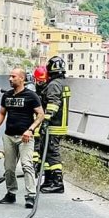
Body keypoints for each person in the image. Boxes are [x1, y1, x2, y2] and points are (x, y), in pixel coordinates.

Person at [0, 68, 45, 208]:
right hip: (8, 136)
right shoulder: (7, 96)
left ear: (21, 79)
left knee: (27, 165)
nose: (10, 79)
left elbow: (41, 115)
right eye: (9, 76)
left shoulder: (31, 96)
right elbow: (2, 113)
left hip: (24, 137)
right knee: (9, 168)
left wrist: (30, 130)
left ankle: (30, 195)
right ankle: (11, 193)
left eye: (13, 76)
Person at [38, 56, 72, 194]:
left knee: (52, 152)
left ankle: (57, 183)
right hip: (60, 124)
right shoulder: (62, 83)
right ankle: (49, 180)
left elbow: (53, 103)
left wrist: (45, 120)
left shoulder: (53, 85)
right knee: (46, 152)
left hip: (53, 124)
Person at [32, 66, 48, 177]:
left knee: (39, 145)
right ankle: (35, 166)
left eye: (41, 81)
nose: (39, 83)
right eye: (38, 81)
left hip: (42, 120)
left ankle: (38, 167)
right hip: (36, 121)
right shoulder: (36, 88)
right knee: (36, 144)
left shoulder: (48, 89)